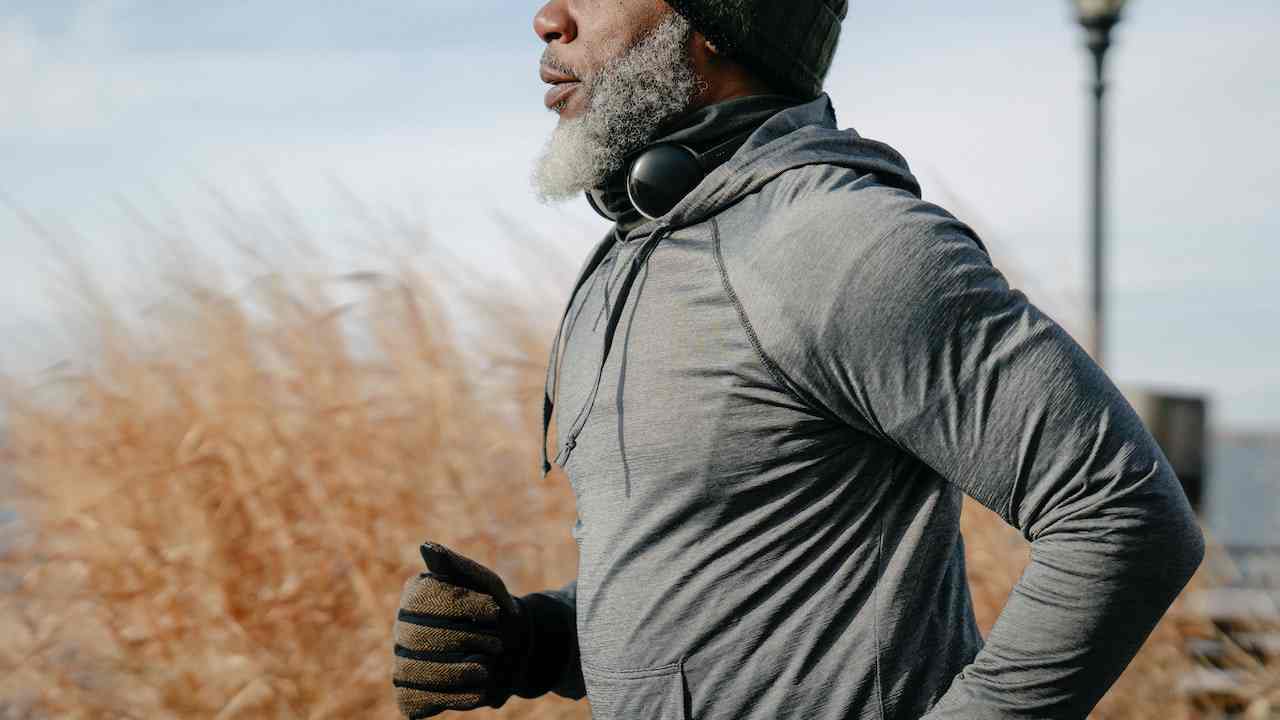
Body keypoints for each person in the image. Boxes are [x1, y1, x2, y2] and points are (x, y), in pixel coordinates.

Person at [391, 1, 1206, 718]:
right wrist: (533, 642)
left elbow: (1125, 514)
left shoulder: (847, 244)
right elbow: (722, 584)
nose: (547, 18)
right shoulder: (639, 255)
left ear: (714, 25)